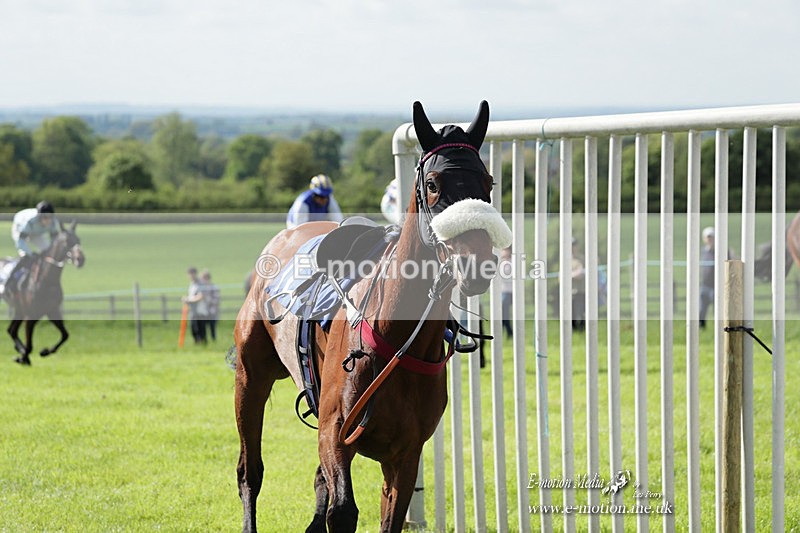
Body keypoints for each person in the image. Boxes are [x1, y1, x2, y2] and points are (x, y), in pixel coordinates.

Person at [5, 201, 60, 297]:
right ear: (39, 217)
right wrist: (30, 253)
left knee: (47, 252)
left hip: (37, 233)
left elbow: (54, 242)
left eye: (50, 218)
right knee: (25, 256)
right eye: (45, 218)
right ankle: (7, 283)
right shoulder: (29, 221)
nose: (48, 221)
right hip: (20, 229)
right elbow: (20, 241)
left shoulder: (53, 221)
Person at [182, 267, 208, 344]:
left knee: (201, 329)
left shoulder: (200, 284)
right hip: (193, 311)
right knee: (194, 329)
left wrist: (189, 300)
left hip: (200, 311)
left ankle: (203, 344)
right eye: (190, 274)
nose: (191, 276)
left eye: (192, 274)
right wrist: (187, 299)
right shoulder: (192, 285)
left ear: (195, 274)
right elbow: (192, 296)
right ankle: (197, 344)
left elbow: (200, 296)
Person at [699, 226, 715, 329]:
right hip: (705, 285)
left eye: (711, 237)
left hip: (716, 285)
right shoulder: (703, 251)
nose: (709, 239)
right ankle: (701, 327)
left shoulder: (720, 251)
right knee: (701, 309)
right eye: (707, 237)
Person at [200, 269, 220, 342]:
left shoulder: (214, 287)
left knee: (212, 327)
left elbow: (216, 300)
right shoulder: (201, 288)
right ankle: (205, 341)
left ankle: (213, 340)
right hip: (203, 312)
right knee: (203, 328)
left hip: (212, 312)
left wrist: (207, 300)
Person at [499, 247, 513, 338]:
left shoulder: (511, 262)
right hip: (503, 291)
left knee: (504, 313)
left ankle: (508, 331)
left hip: (510, 291)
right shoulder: (501, 263)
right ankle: (508, 331)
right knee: (503, 313)